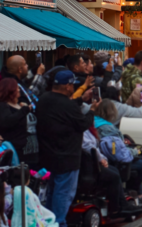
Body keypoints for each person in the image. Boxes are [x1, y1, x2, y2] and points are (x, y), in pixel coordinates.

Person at [37, 69, 98, 227]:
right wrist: (92, 110)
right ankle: (58, 222)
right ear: (67, 86)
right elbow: (82, 124)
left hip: (49, 153)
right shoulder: (66, 105)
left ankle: (49, 221)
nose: (73, 88)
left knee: (53, 190)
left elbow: (64, 111)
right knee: (64, 193)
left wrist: (81, 100)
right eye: (72, 85)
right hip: (68, 155)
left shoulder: (44, 99)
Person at [0, 77, 35, 166]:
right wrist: (24, 110)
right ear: (10, 90)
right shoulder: (3, 106)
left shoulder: (21, 105)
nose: (19, 89)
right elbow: (7, 121)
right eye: (16, 87)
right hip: (17, 151)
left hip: (31, 151)